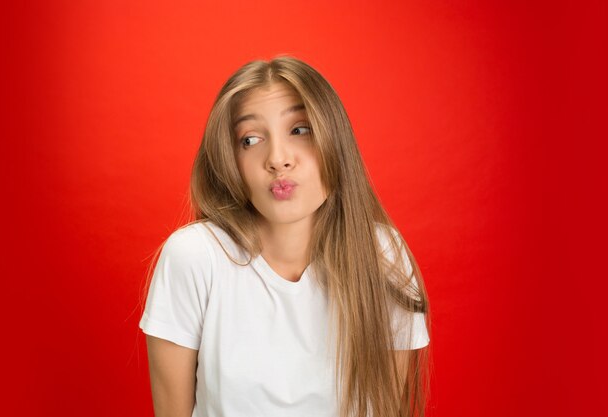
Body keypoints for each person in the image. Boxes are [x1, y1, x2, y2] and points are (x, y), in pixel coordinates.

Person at [139, 56, 431, 417]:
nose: (277, 159)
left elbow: (389, 408)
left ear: (334, 139)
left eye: (299, 129)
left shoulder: (381, 254)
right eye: (250, 139)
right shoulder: (196, 257)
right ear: (230, 160)